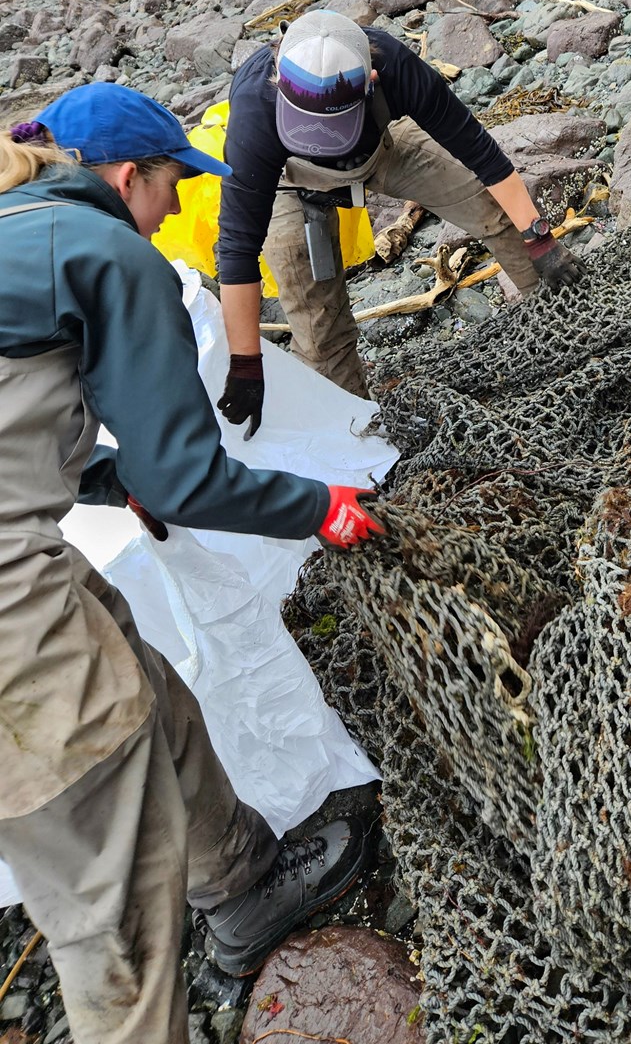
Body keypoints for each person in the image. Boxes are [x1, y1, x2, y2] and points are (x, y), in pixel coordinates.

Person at [0, 82, 387, 1044]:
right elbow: (186, 480)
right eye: (172, 182)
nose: (177, 206)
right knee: (114, 922)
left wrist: (98, 479)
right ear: (128, 176)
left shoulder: (13, 232)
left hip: (22, 549)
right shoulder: (104, 253)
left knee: (150, 693)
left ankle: (244, 886)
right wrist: (318, 506)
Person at [216, 9, 580, 425]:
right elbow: (238, 248)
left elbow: (480, 153)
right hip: (288, 181)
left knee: (490, 208)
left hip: (378, 149)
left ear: (371, 82)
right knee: (319, 331)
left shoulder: (394, 65)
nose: (321, 143)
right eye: (308, 127)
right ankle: (357, 434)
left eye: (330, 128)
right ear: (278, 82)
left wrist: (540, 239)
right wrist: (245, 362)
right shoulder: (255, 112)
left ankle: (561, 332)